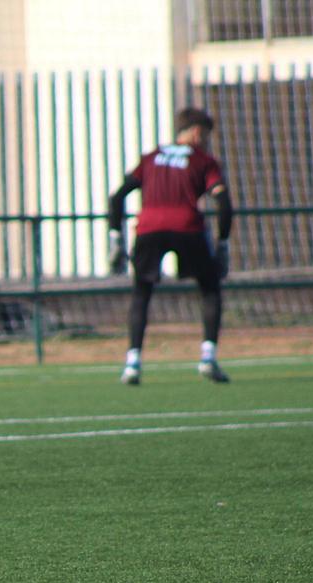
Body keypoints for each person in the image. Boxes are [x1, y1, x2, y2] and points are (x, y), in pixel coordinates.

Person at [108, 105, 234, 385]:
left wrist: (115, 239)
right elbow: (223, 203)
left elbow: (117, 197)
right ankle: (208, 357)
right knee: (210, 288)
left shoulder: (151, 157)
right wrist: (223, 243)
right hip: (188, 227)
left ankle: (133, 363)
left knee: (142, 292)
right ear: (198, 132)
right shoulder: (203, 160)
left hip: (149, 227)